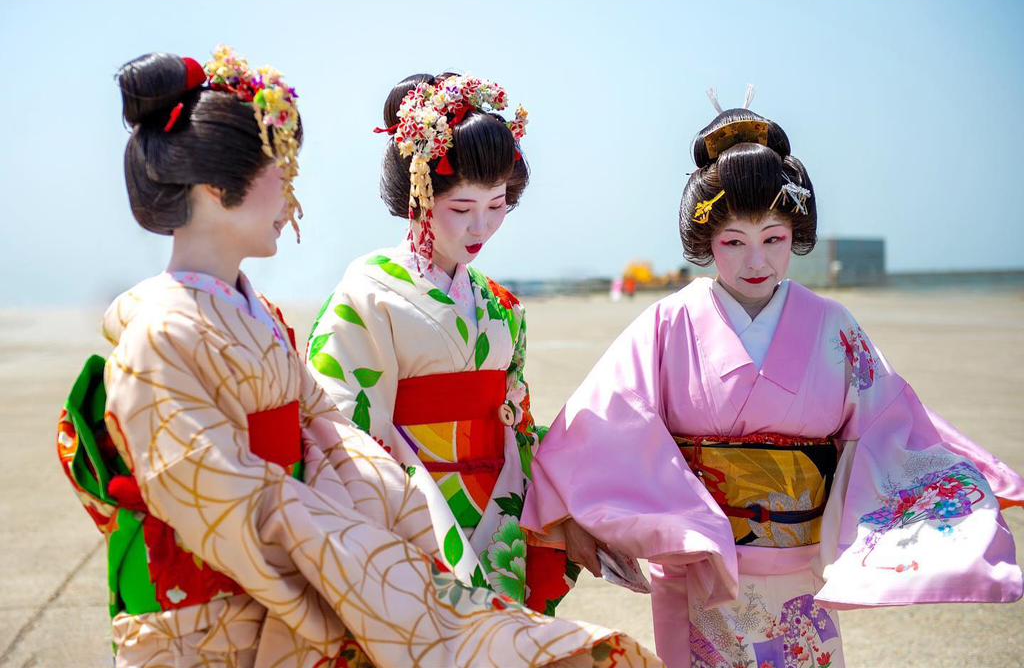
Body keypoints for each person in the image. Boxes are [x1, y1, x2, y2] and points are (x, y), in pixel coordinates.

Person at [56, 47, 660, 668]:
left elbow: (336, 442)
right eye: (279, 172)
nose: (292, 192)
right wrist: (374, 564)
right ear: (215, 189)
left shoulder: (255, 314)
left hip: (418, 528)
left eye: (497, 204)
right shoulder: (171, 330)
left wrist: (523, 522)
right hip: (215, 594)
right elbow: (230, 490)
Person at [519, 95, 1024, 668]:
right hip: (702, 567)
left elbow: (890, 423)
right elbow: (604, 417)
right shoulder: (669, 322)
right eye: (733, 241)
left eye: (773, 238)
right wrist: (570, 510)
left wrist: (960, 487)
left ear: (795, 234)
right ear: (706, 241)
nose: (754, 260)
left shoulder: (832, 324)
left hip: (802, 568)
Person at [307, 72, 576, 615]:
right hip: (415, 513)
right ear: (420, 196)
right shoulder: (368, 292)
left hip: (502, 509)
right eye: (462, 209)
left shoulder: (500, 304)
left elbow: (514, 418)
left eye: (498, 205)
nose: (483, 226)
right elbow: (342, 426)